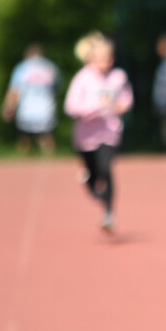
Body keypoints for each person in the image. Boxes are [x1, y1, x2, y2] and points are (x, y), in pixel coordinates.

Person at [64, 34, 133, 232]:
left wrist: (122, 106)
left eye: (107, 58)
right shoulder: (82, 78)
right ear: (91, 59)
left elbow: (126, 98)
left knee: (106, 169)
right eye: (99, 58)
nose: (104, 62)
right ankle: (90, 181)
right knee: (94, 174)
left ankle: (108, 214)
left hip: (110, 133)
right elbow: (71, 107)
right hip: (86, 138)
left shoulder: (118, 77)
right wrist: (95, 108)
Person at [1, 43, 60, 156]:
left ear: (27, 55)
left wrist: (9, 107)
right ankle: (49, 160)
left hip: (26, 109)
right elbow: (57, 89)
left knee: (24, 137)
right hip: (46, 109)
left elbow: (14, 91)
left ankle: (22, 160)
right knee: (46, 136)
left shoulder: (22, 67)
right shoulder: (50, 67)